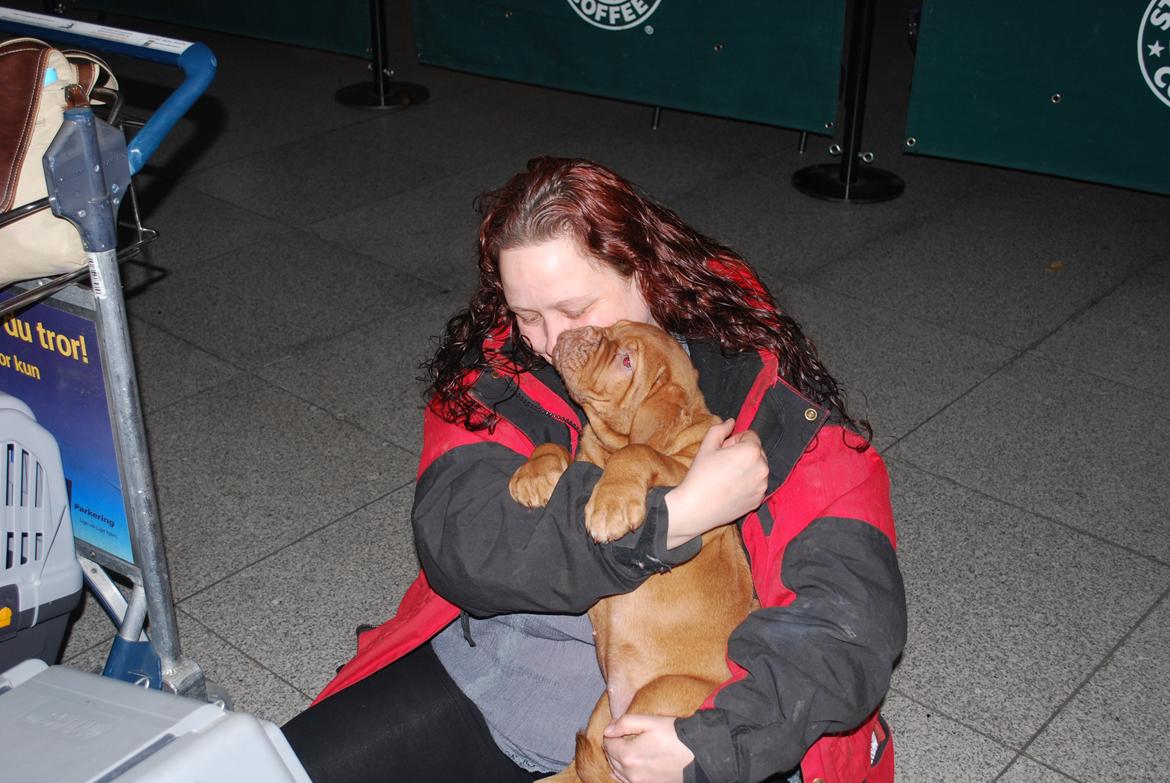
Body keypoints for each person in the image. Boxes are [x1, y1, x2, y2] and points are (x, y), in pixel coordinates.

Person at [282, 157, 906, 783]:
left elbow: (850, 619)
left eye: (575, 308)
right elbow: (462, 545)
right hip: (500, 682)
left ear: (645, 275)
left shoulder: (774, 403)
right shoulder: (497, 375)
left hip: (688, 723)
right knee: (279, 768)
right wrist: (672, 518)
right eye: (528, 315)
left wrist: (714, 743)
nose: (553, 341)